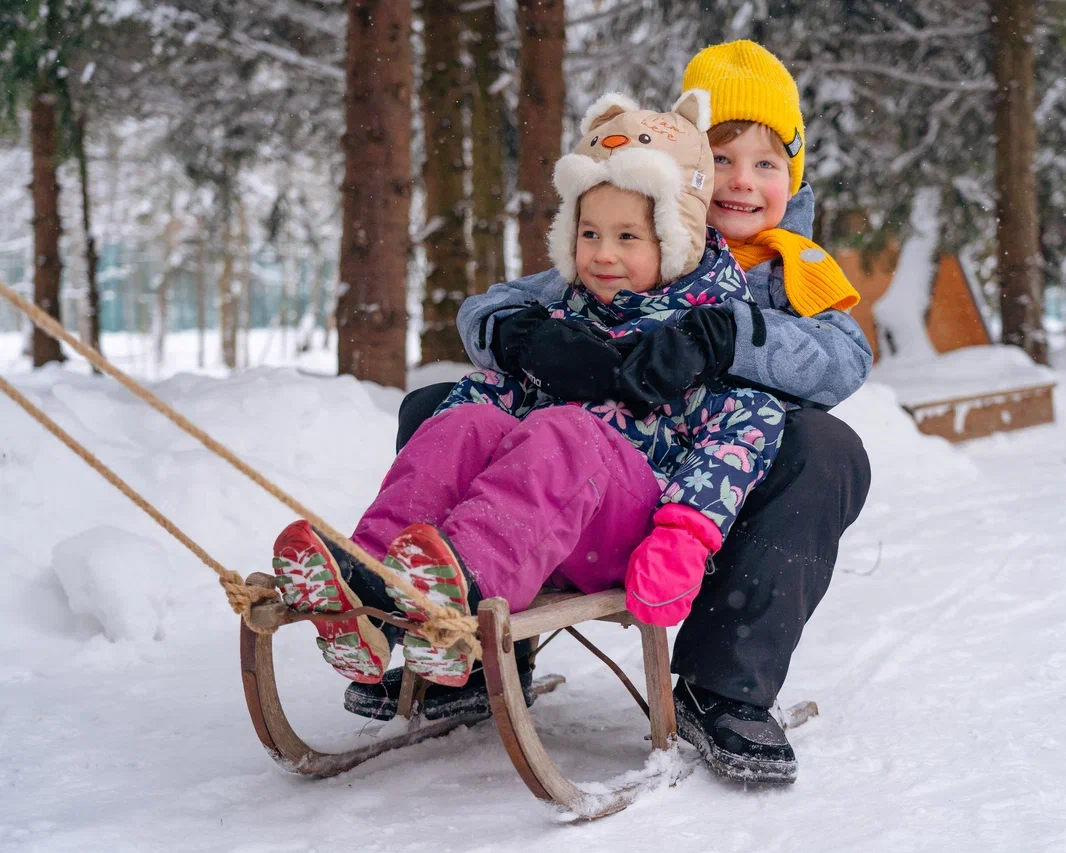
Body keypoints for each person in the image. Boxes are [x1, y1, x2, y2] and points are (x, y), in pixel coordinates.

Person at [354, 41, 875, 784]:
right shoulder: (628, 226)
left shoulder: (794, 271)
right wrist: (526, 335)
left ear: (792, 175)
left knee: (828, 445)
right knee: (444, 405)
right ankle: (465, 635)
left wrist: (727, 334)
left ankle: (723, 684)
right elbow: (494, 303)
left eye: (766, 165)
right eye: (722, 159)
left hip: (715, 499)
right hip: (583, 478)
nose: (741, 183)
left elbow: (844, 360)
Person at [271, 91, 787, 694]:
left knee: (562, 431)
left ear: (676, 242)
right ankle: (370, 586)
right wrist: (523, 354)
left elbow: (744, 431)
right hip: (541, 523)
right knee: (464, 419)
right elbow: (492, 389)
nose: (601, 254)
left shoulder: (703, 331)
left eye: (627, 238)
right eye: (588, 233)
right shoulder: (566, 314)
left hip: (624, 528)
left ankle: (458, 596)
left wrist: (683, 536)